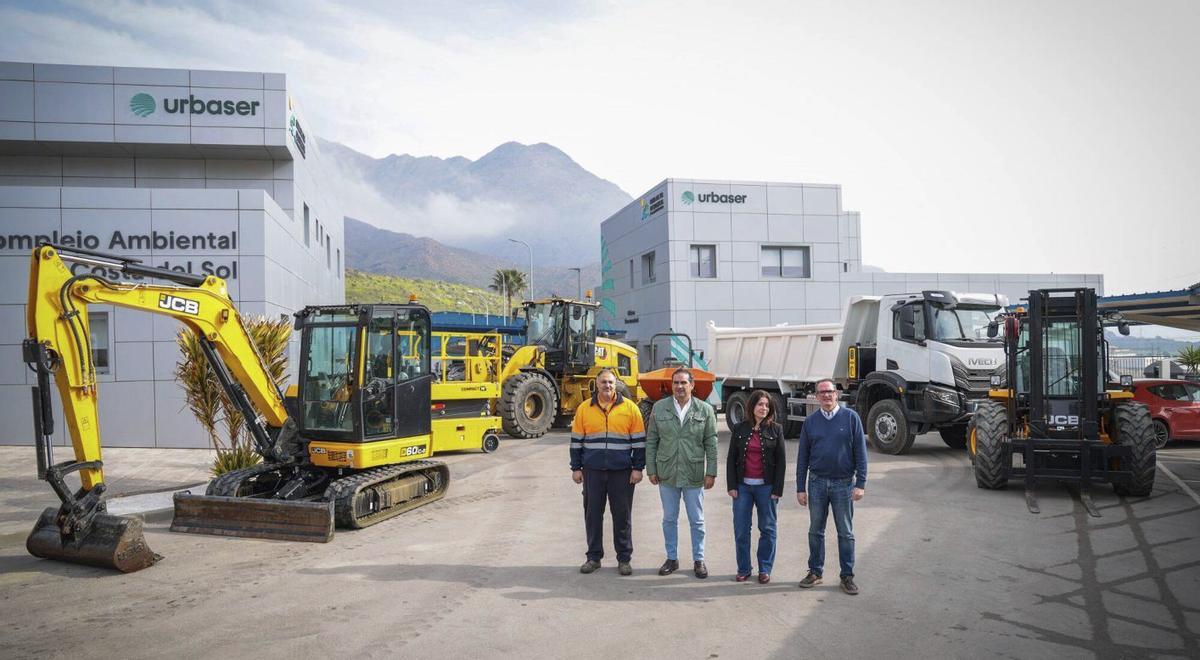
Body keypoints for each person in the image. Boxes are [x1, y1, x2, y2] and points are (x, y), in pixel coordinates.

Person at [570, 368, 645, 576]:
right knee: (593, 515)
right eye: (603, 382)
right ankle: (593, 557)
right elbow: (576, 441)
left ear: (616, 384)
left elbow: (639, 442)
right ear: (596, 384)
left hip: (621, 472)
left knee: (622, 516)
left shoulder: (630, 409)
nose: (607, 386)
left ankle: (624, 559)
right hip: (592, 472)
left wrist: (638, 468)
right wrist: (576, 468)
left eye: (611, 382)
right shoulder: (584, 409)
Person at [795, 378, 867, 595]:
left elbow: (861, 454)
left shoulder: (851, 418)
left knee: (845, 532)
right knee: (815, 530)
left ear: (837, 394)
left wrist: (860, 483)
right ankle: (815, 572)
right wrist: (801, 487)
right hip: (816, 483)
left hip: (843, 484)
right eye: (822, 392)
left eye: (830, 391)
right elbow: (802, 457)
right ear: (816, 397)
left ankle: (847, 575)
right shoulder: (810, 422)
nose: (826, 396)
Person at [646, 368, 718, 579]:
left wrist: (711, 472)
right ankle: (672, 558)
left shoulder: (704, 410)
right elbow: (651, 441)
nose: (679, 387)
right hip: (667, 472)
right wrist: (651, 469)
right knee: (669, 518)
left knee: (697, 520)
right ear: (672, 385)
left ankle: (699, 559)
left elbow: (711, 443)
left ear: (692, 385)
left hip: (694, 473)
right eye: (676, 383)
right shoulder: (660, 408)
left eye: (683, 383)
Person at [726, 390, 786, 583]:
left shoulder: (776, 429)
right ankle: (744, 568)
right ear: (752, 406)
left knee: (768, 529)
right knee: (742, 529)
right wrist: (732, 485)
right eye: (760, 404)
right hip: (742, 487)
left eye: (767, 405)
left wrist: (777, 489)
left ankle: (765, 568)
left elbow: (781, 462)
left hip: (766, 488)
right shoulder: (739, 429)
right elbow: (731, 460)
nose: (764, 408)